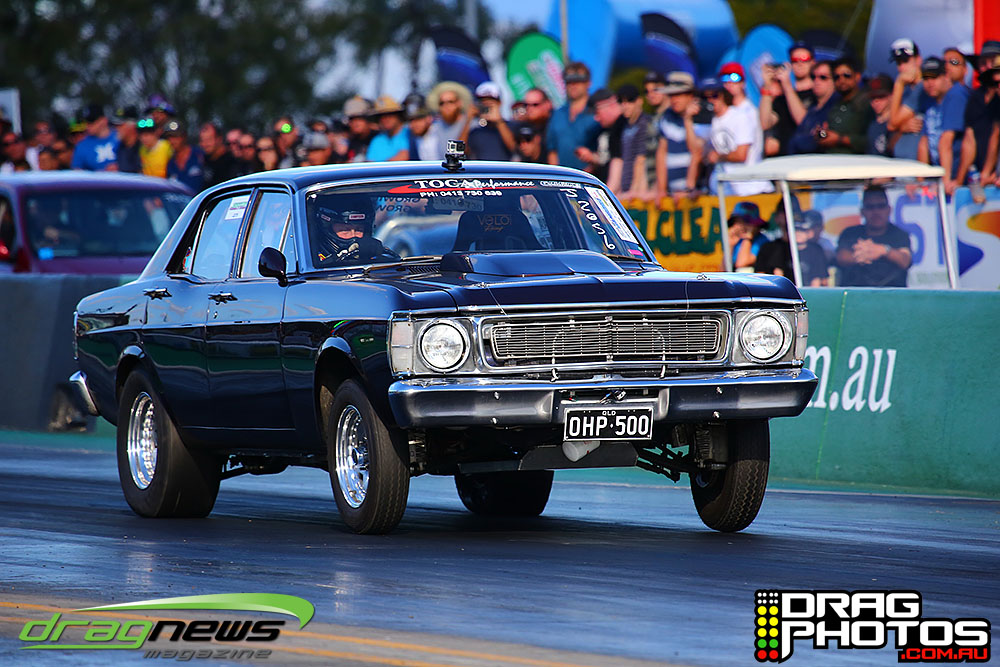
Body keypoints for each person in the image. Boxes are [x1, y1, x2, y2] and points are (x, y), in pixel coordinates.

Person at [704, 80, 772, 196]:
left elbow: (741, 155)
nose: (710, 101)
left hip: (752, 188)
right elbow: (699, 152)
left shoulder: (740, 116)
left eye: (714, 96)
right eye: (705, 97)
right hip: (728, 190)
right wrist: (688, 119)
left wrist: (718, 156)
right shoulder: (711, 121)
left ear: (723, 95)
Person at [836, 186, 912, 287]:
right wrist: (864, 254)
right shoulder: (850, 233)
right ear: (862, 211)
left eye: (881, 206)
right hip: (855, 292)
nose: (876, 212)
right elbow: (841, 257)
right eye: (870, 207)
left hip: (891, 292)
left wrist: (883, 251)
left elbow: (905, 260)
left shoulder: (899, 234)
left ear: (889, 210)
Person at [917, 57, 969, 193]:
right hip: (938, 178)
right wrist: (921, 182)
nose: (930, 83)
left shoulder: (956, 95)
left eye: (934, 78)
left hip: (956, 179)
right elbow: (924, 143)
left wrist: (946, 182)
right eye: (926, 78)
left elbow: (946, 141)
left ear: (946, 76)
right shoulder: (930, 101)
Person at [759, 42, 818, 156]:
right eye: (795, 60)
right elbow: (765, 123)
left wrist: (786, 84)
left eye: (804, 59)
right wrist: (766, 87)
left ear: (813, 62)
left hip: (808, 157)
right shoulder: (782, 99)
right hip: (785, 159)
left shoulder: (817, 95)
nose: (799, 63)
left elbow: (803, 122)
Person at [547, 61, 600, 170]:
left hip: (590, 177)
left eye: (578, 80)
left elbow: (603, 152)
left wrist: (587, 175)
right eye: (569, 81)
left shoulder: (598, 113)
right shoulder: (558, 114)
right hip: (561, 177)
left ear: (588, 83)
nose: (573, 85)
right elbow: (552, 150)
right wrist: (555, 175)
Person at [312, 199, 398, 266]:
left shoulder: (377, 259)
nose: (353, 235)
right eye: (345, 230)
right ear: (327, 228)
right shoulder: (310, 258)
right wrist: (338, 258)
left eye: (359, 229)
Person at [754, 212, 829, 286]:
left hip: (807, 291)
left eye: (802, 230)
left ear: (809, 233)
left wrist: (811, 293)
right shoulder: (781, 248)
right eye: (796, 230)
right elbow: (778, 275)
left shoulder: (816, 250)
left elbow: (817, 279)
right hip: (787, 290)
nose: (799, 233)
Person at [576, 88, 626, 192]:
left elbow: (619, 162)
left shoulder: (623, 127)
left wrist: (608, 194)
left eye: (597, 112)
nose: (596, 118)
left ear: (611, 105)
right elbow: (606, 159)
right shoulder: (603, 130)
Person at [817, 58, 871, 154]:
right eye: (837, 77)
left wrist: (840, 139)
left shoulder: (866, 104)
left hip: (854, 160)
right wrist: (823, 134)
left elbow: (872, 140)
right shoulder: (834, 105)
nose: (841, 80)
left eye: (847, 75)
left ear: (857, 77)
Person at [888, 39, 929, 161]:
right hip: (902, 161)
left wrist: (899, 84)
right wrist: (902, 128)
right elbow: (891, 128)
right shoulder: (904, 92)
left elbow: (892, 124)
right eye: (898, 63)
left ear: (918, 60)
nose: (902, 68)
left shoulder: (924, 87)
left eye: (905, 61)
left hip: (919, 162)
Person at [787, 61, 838, 154]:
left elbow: (819, 140)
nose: (817, 81)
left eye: (823, 77)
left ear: (834, 80)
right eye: (813, 77)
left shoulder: (837, 107)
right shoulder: (812, 107)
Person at [465, 81, 516, 161]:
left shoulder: (513, 126)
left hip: (505, 168)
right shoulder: (476, 132)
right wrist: (468, 120)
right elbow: (462, 151)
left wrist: (499, 122)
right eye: (483, 104)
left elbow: (515, 149)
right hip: (482, 168)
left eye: (490, 104)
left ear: (499, 103)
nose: (487, 108)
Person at [616, 83, 651, 198]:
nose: (625, 106)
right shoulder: (624, 126)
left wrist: (634, 189)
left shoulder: (645, 124)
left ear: (639, 101)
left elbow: (641, 159)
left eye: (630, 101)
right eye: (621, 102)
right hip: (626, 189)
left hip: (639, 190)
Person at [428, 81, 473, 160]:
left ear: (459, 103)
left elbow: (460, 153)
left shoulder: (473, 124)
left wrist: (468, 121)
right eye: (442, 103)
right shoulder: (434, 128)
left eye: (450, 102)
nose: (446, 106)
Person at [71, 103, 119, 171]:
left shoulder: (120, 138)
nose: (87, 126)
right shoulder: (82, 146)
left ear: (104, 120)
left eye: (91, 122)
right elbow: (77, 172)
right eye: (85, 122)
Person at [164, 120, 205, 192]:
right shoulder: (170, 164)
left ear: (184, 136)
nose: (172, 140)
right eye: (169, 137)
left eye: (176, 136)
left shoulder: (199, 155)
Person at [726, 201, 767, 270]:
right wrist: (730, 246)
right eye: (736, 222)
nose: (737, 226)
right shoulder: (736, 240)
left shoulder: (763, 242)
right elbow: (724, 271)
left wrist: (748, 237)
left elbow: (741, 263)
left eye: (743, 222)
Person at [366, 96, 410, 162]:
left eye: (390, 115)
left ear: (398, 115)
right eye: (381, 116)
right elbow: (370, 163)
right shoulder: (377, 140)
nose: (386, 119)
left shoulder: (410, 134)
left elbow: (404, 157)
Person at [199, 122, 241, 189]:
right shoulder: (205, 161)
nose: (204, 144)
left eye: (208, 140)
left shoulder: (231, 163)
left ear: (219, 139)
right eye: (202, 140)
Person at [866, 74, 895, 156]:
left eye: (881, 97)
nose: (876, 101)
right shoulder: (872, 125)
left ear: (892, 96)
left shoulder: (898, 124)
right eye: (872, 98)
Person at [343, 96, 374, 162]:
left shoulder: (378, 138)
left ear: (367, 120)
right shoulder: (353, 142)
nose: (355, 124)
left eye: (359, 119)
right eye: (352, 120)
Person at [112, 106, 141, 173]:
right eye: (115, 125)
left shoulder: (144, 147)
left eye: (120, 125)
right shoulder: (119, 147)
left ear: (132, 125)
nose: (116, 129)